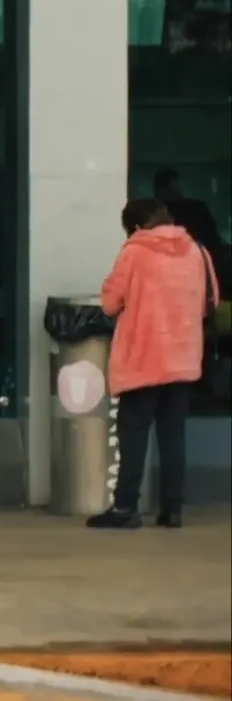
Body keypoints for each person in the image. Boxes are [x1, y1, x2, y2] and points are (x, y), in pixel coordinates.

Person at [90, 197, 221, 529]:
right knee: (172, 436)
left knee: (133, 436)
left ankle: (125, 508)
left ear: (134, 226)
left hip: (143, 359)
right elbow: (211, 301)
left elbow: (109, 302)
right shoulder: (197, 251)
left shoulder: (135, 252)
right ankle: (172, 509)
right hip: (182, 359)